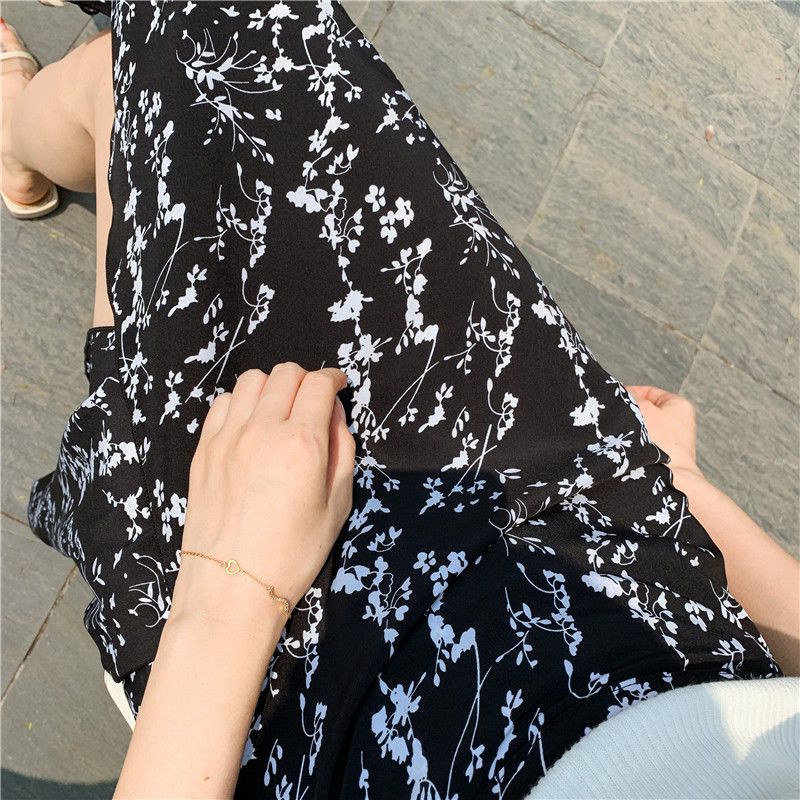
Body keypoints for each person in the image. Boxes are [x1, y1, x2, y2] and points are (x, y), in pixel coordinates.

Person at [2, 2, 797, 798]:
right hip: (614, 546)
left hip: (311, 691)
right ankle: (69, 118)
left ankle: (45, 124)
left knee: (144, 111)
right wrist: (684, 489)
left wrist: (226, 593)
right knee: (223, 38)